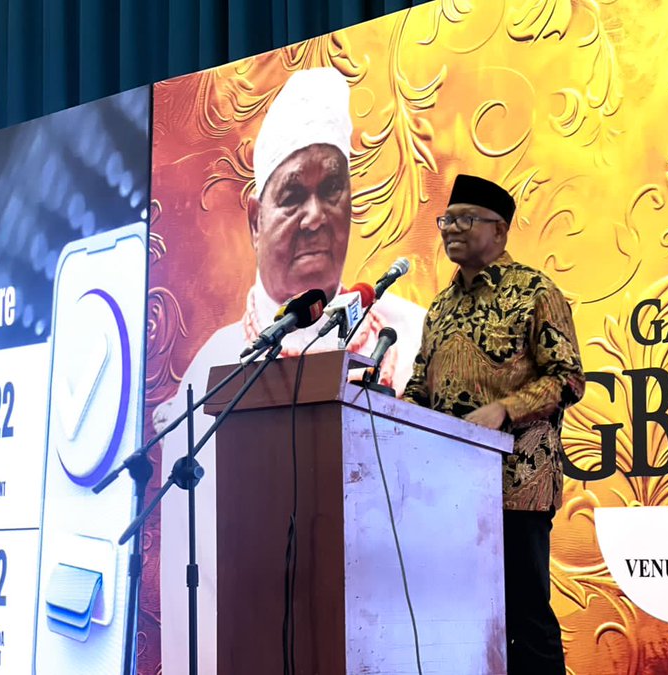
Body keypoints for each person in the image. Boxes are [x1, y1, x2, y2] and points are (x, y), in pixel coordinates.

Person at [153, 67, 424, 674]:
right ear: (255, 219)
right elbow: (194, 577)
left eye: (333, 190)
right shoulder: (213, 371)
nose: (316, 216)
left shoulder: (410, 338)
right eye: (293, 195)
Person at [401, 174, 585, 675]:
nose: (451, 230)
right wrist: (387, 412)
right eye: (447, 220)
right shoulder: (440, 307)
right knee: (462, 619)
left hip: (516, 484)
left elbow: (568, 378)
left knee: (525, 618)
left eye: (466, 220)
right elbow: (419, 387)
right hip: (448, 489)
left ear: (499, 230)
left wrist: (506, 409)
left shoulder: (535, 292)